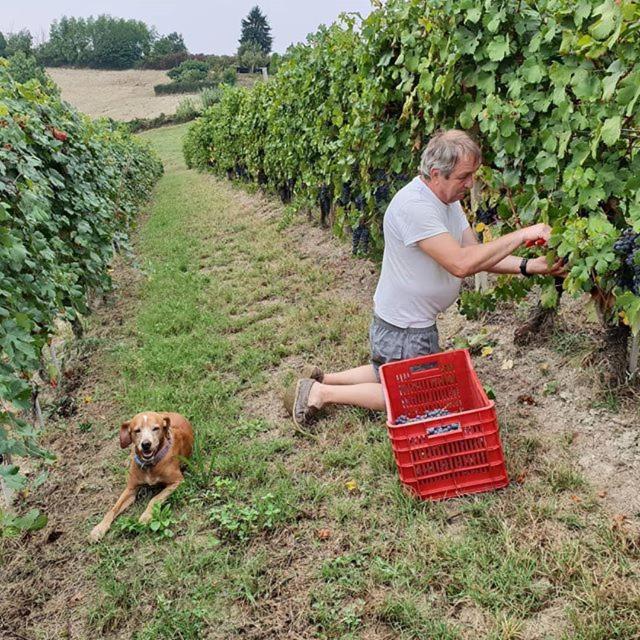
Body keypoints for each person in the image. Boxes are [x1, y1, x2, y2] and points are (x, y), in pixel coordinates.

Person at [284, 129, 565, 429]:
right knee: (409, 396)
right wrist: (523, 234)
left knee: (385, 370)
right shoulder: (414, 207)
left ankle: (321, 378)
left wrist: (529, 266)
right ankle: (321, 393)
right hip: (407, 329)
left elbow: (474, 252)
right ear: (435, 173)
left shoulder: (447, 200)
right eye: (464, 176)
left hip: (401, 324)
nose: (470, 184)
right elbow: (461, 264)